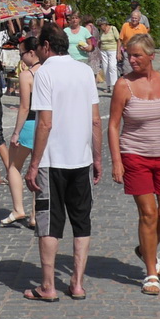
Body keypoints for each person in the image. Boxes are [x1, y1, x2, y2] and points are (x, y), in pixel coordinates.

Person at [23, 25, 102, 302]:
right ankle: (77, 283)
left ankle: (47, 286)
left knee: (49, 222)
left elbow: (45, 122)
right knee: (82, 222)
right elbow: (95, 119)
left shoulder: (45, 72)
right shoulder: (84, 71)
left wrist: (33, 164)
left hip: (52, 160)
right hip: (81, 159)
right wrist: (98, 157)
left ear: (45, 46)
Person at [107, 36, 160, 296]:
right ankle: (151, 273)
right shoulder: (123, 85)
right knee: (148, 214)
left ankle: (144, 248)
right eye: (129, 55)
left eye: (137, 55)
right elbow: (113, 125)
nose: (132, 59)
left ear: (151, 55)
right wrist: (117, 161)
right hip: (135, 155)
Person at [0, 34, 42, 228]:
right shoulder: (50, 71)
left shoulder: (27, 75)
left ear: (31, 53)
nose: (21, 57)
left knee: (14, 167)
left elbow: (24, 107)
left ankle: (18, 209)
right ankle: (35, 214)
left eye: (22, 54)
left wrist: (16, 132)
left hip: (29, 124)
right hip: (46, 126)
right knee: (39, 170)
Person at [93, 14, 121, 88]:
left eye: (101, 25)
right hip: (103, 51)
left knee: (112, 67)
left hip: (113, 50)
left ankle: (114, 85)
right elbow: (100, 41)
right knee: (105, 68)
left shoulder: (113, 29)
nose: (100, 27)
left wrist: (118, 52)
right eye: (99, 25)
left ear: (105, 24)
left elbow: (118, 40)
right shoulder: (101, 31)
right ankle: (108, 86)